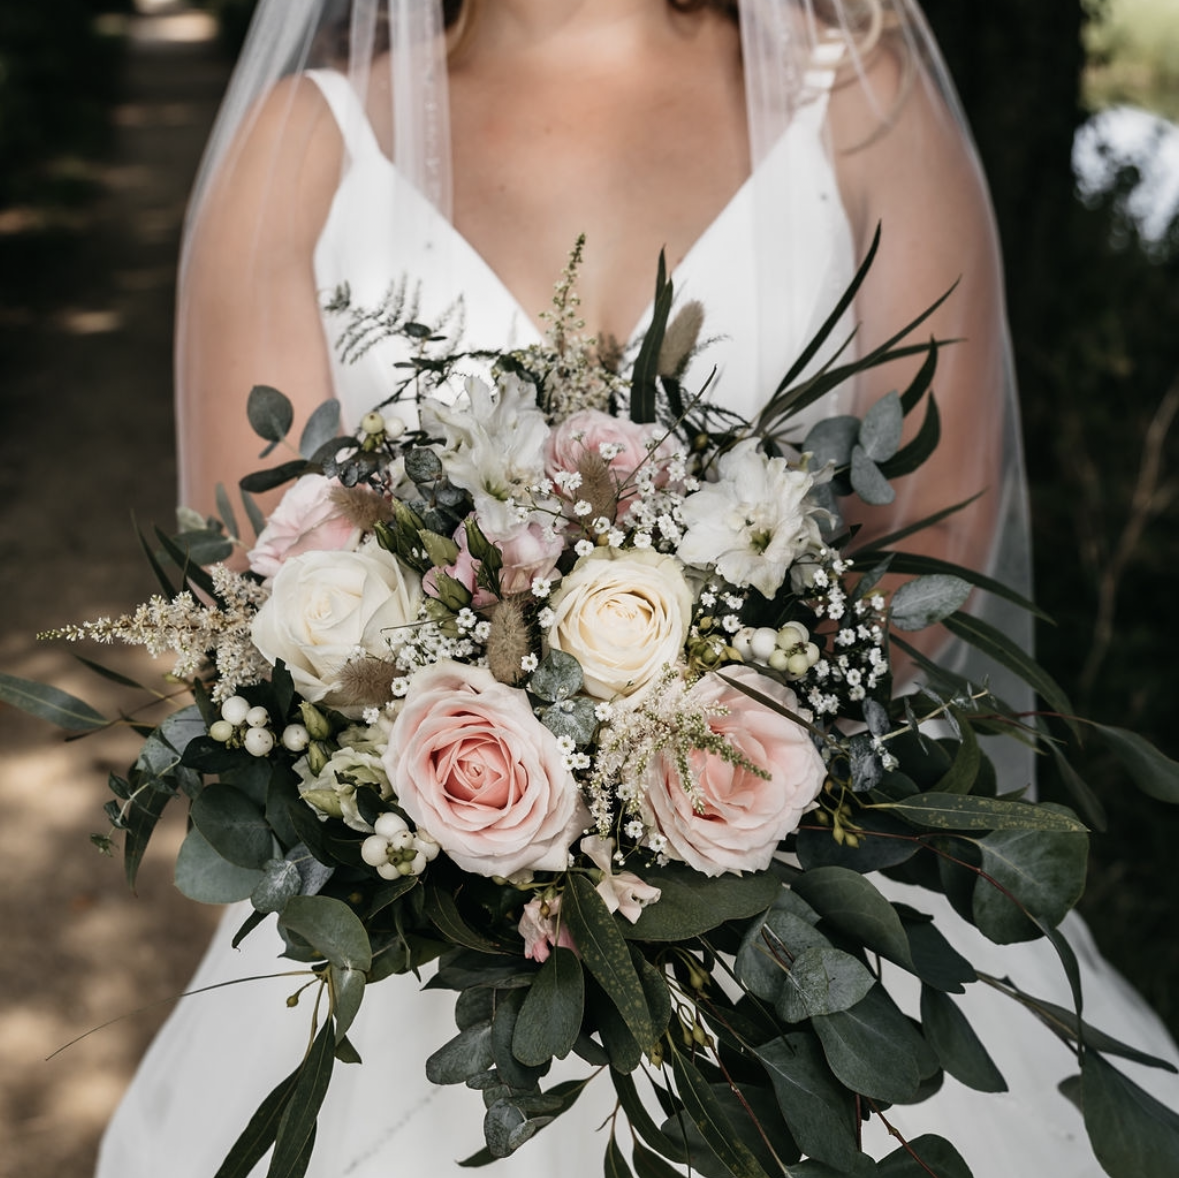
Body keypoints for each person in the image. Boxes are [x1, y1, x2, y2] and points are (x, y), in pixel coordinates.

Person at [96, 3, 1179, 1176]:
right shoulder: (304, 146)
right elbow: (261, 607)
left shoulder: (861, 102)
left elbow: (929, 543)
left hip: (809, 913)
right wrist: (512, 812)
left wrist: (692, 791)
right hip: (422, 950)